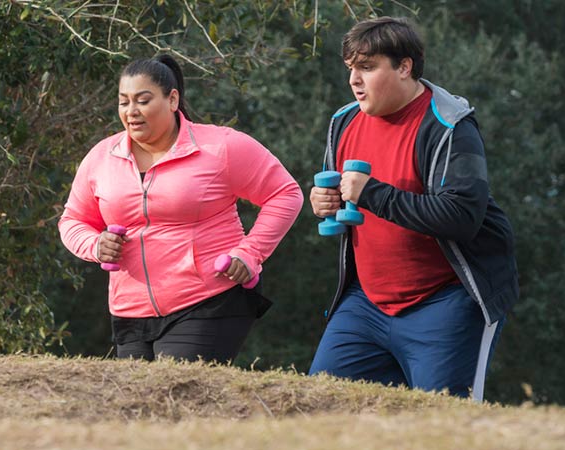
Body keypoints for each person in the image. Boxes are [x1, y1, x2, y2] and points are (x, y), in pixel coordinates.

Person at [307, 17, 519, 401]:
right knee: (315, 405)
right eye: (351, 69)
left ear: (405, 67)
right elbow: (341, 193)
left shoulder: (451, 126)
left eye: (367, 68)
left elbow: (460, 217)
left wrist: (371, 193)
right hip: (366, 304)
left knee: (442, 429)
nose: (354, 80)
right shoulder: (343, 121)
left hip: (446, 304)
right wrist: (325, 202)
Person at [59, 55, 303, 363]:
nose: (132, 112)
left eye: (143, 100)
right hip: (129, 310)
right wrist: (96, 245)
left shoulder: (220, 146)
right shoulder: (101, 157)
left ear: (172, 99)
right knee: (136, 404)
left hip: (208, 299)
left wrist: (250, 253)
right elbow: (73, 220)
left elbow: (285, 193)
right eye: (124, 102)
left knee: (176, 394)